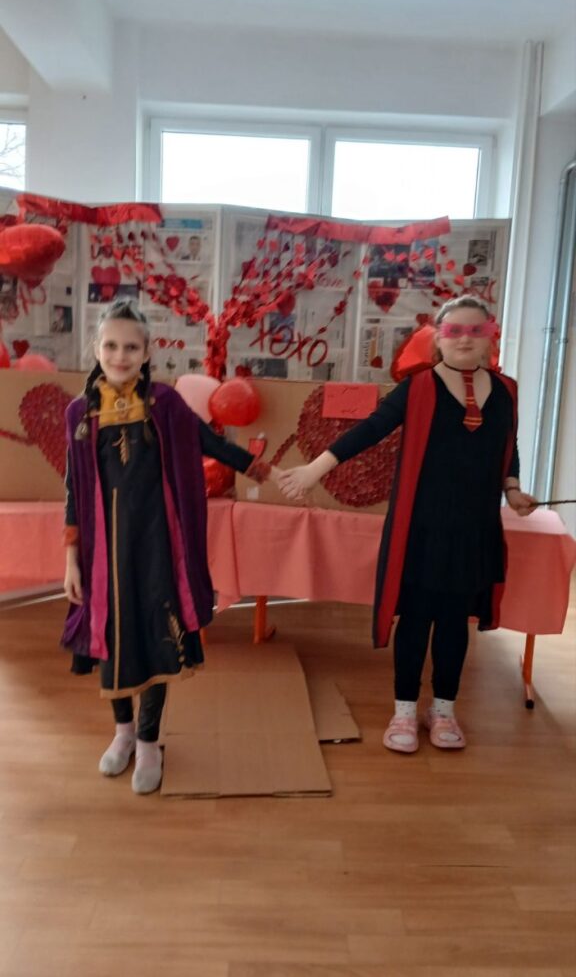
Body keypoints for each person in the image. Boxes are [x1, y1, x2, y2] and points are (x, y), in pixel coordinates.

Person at [278, 296, 536, 754]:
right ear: (438, 337)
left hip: (474, 531)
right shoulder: (417, 388)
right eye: (454, 331)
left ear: (490, 337)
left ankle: (444, 709)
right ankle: (403, 709)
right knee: (416, 619)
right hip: (421, 530)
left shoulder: (507, 391)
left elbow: (508, 445)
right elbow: (370, 429)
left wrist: (513, 489)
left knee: (455, 623)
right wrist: (315, 469)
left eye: (475, 331)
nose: (464, 339)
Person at [62, 298, 277, 794]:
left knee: (158, 636)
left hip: (159, 547)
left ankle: (149, 741)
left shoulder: (165, 404)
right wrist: (71, 557)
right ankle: (122, 733)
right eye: (111, 346)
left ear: (146, 353)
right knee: (113, 638)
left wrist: (263, 469)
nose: (120, 356)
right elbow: (73, 487)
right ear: (96, 348)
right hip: (103, 556)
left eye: (130, 347)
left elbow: (211, 443)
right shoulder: (80, 413)